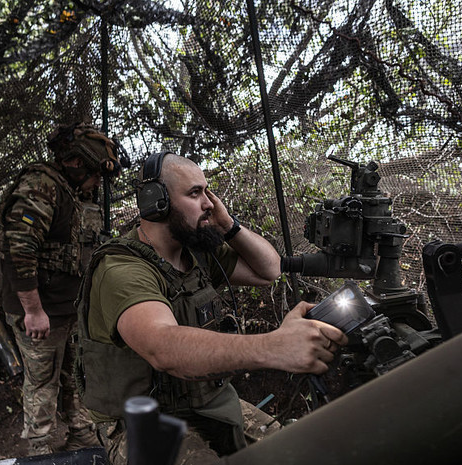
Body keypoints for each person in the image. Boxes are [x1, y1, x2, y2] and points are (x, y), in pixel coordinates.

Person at [75, 152, 348, 464]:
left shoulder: (196, 253)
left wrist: (228, 224)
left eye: (208, 192)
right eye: (195, 193)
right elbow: (162, 347)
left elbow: (269, 271)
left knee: (299, 453)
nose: (209, 203)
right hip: (144, 421)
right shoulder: (122, 269)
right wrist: (274, 346)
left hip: (209, 403)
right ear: (155, 201)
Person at [0, 122, 124, 455]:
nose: (99, 183)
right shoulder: (41, 187)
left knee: (76, 373)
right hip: (40, 309)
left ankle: (81, 434)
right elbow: (19, 248)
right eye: (96, 174)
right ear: (76, 163)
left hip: (70, 306)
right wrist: (33, 311)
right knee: (42, 380)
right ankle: (39, 448)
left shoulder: (75, 192)